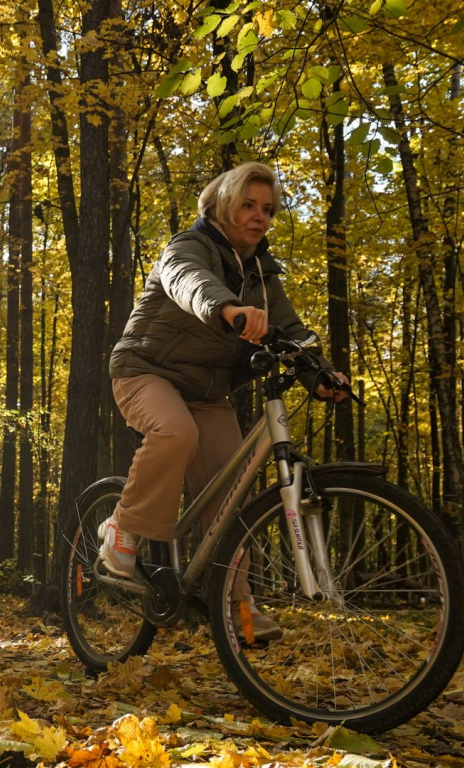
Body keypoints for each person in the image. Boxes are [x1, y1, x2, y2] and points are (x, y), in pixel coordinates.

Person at [101, 161, 349, 641]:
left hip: (208, 391)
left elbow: (293, 331)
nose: (260, 217)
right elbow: (187, 282)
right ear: (222, 205)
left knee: (232, 492)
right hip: (144, 371)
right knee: (175, 432)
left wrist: (318, 375)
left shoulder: (261, 272)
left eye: (269, 210)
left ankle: (238, 606)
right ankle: (123, 529)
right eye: (249, 206)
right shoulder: (187, 247)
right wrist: (227, 308)